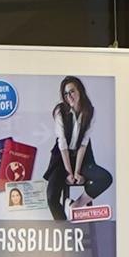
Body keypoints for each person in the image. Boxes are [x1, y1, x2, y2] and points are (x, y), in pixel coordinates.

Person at [42, 75, 112, 222]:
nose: (69, 96)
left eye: (72, 91)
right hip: (62, 159)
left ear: (80, 91)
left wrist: (78, 172)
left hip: (83, 157)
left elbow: (84, 144)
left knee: (105, 178)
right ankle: (64, 230)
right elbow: (62, 144)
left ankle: (75, 207)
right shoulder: (60, 111)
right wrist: (69, 173)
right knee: (51, 197)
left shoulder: (90, 112)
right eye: (66, 94)